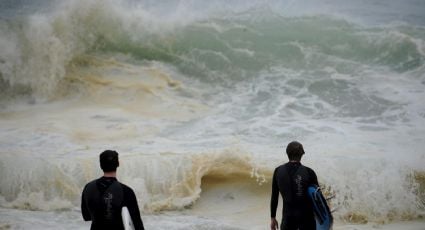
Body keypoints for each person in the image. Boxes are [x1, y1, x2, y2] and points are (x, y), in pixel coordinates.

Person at [81, 150, 145, 230]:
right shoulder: (126, 191)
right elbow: (137, 223)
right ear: (118, 164)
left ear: (101, 165)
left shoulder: (88, 187)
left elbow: (86, 216)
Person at [270, 141, 318, 230]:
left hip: (287, 220)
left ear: (287, 153)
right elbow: (317, 198)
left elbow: (274, 197)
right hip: (307, 220)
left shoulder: (278, 171)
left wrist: (273, 218)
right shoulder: (309, 172)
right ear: (302, 154)